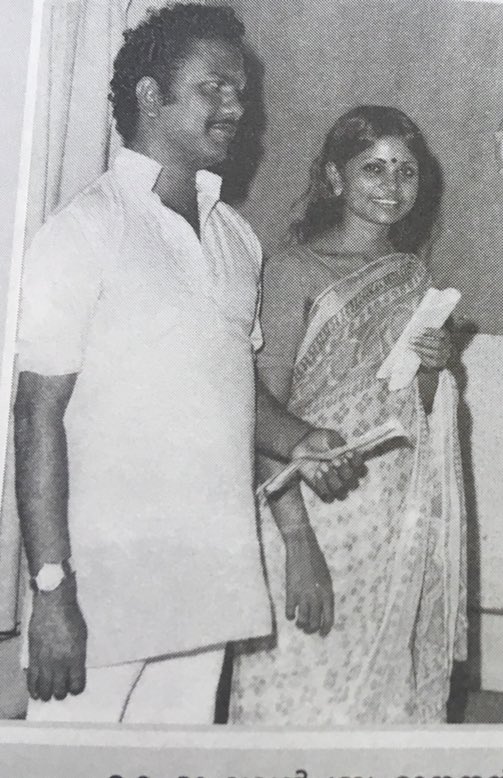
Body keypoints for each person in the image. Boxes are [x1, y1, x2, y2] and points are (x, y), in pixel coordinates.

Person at [14, 3, 360, 724]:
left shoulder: (238, 241)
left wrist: (299, 438)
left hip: (208, 580)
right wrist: (51, 587)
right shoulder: (81, 232)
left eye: (241, 91)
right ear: (150, 95)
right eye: (215, 88)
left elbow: (234, 391)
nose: (238, 106)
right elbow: (35, 416)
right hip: (102, 590)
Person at [229, 106, 466, 725]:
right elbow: (257, 407)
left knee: (380, 692)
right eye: (374, 168)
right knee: (301, 691)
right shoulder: (292, 271)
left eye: (406, 171)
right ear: (335, 179)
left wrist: (439, 366)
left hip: (392, 521)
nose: (392, 185)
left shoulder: (413, 278)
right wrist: (298, 541)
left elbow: (412, 404)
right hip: (310, 510)